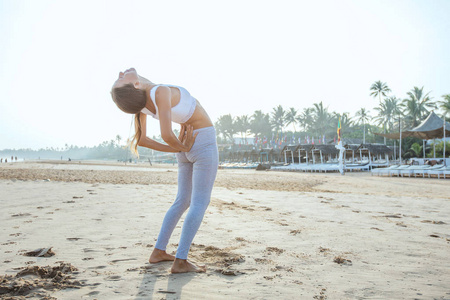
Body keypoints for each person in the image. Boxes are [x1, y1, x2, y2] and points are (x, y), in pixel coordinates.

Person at [111, 68, 218, 273]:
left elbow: (142, 140)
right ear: (135, 85)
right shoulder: (159, 92)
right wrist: (180, 146)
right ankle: (181, 261)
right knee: (199, 202)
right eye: (120, 79)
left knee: (183, 200)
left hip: (185, 144)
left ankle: (159, 251)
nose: (120, 73)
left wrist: (178, 147)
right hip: (201, 140)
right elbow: (166, 133)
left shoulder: (144, 101)